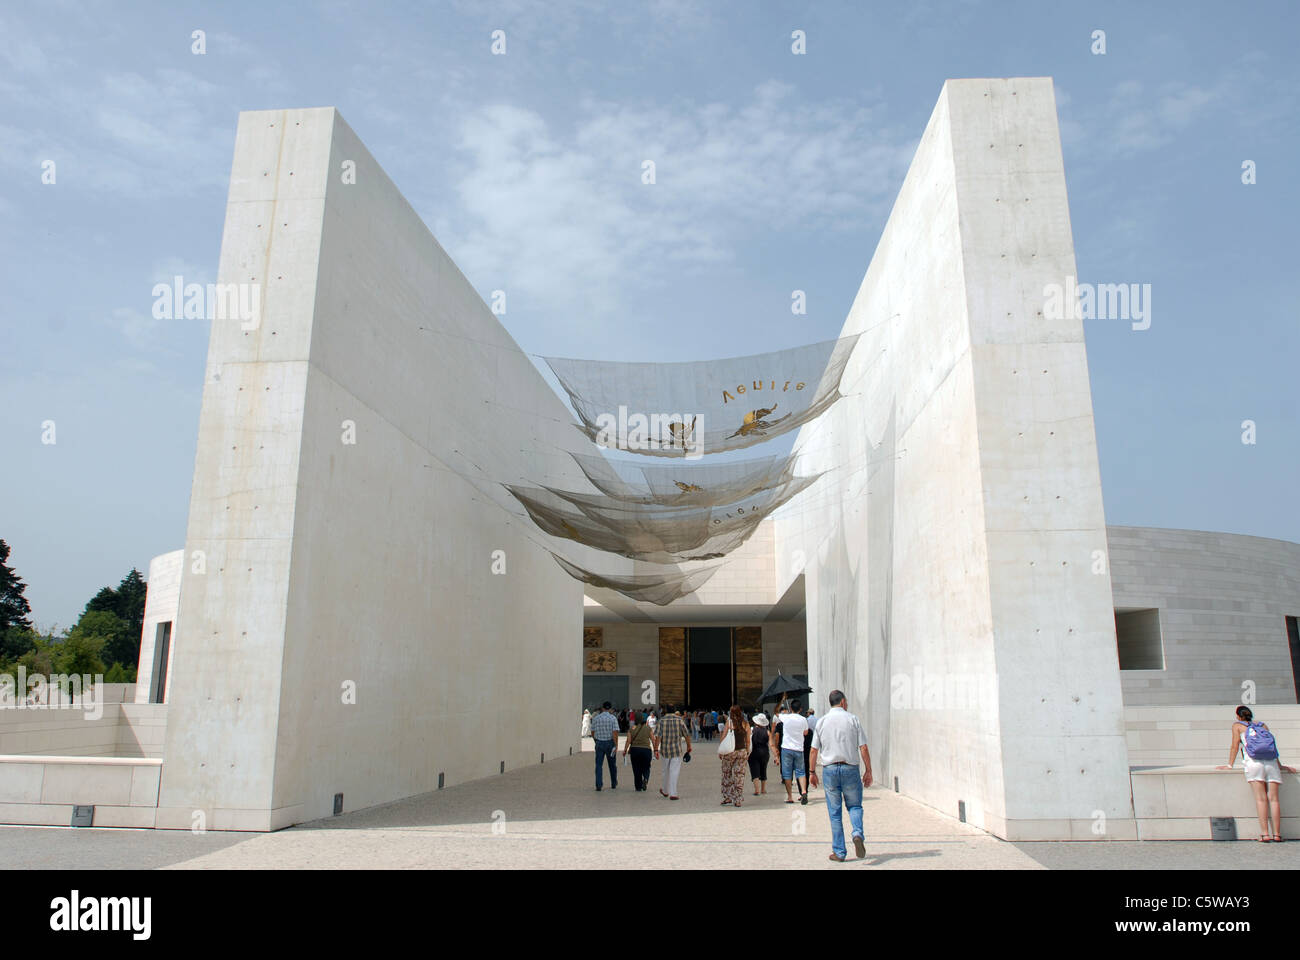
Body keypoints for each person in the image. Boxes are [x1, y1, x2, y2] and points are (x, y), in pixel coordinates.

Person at [809, 689, 873, 862]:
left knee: (835, 813)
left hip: (829, 770)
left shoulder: (821, 722)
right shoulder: (853, 719)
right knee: (855, 806)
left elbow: (814, 750)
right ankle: (857, 833)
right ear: (843, 702)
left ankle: (839, 852)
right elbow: (864, 748)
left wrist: (812, 772)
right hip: (850, 768)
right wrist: (868, 770)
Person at [1217, 705, 1296, 841]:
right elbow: (1272, 746)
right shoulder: (1262, 725)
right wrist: (1280, 765)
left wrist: (1229, 765)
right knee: (1274, 800)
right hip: (1271, 763)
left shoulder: (1237, 726)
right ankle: (1277, 834)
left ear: (1238, 716)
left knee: (1261, 799)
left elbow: (1235, 745)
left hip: (1253, 763)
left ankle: (1265, 834)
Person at [652, 703, 692, 800]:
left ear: (665, 710)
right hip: (676, 750)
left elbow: (658, 736)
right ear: (674, 710)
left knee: (665, 771)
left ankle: (665, 790)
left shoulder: (661, 721)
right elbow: (686, 734)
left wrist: (656, 749)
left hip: (665, 750)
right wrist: (689, 746)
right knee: (674, 771)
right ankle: (673, 793)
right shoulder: (679, 720)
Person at [776, 698, 810, 804]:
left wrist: (781, 700)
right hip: (799, 748)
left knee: (787, 773)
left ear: (790, 708)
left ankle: (790, 796)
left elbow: (776, 712)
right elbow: (805, 733)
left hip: (786, 748)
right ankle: (804, 791)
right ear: (800, 709)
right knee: (801, 772)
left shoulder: (786, 718)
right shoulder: (803, 719)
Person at [718, 705, 750, 806]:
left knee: (727, 773)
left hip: (730, 751)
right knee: (739, 775)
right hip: (742, 751)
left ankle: (728, 796)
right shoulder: (745, 723)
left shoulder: (730, 722)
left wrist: (720, 750)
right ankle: (738, 799)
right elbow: (748, 740)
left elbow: (723, 736)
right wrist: (748, 751)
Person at [591, 701, 620, 791]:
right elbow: (615, 733)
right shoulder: (613, 718)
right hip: (610, 743)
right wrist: (616, 745)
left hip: (599, 743)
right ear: (610, 709)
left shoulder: (596, 718)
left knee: (599, 765)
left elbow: (592, 731)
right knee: (612, 764)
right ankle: (613, 782)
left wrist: (596, 740)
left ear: (602, 708)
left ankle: (598, 784)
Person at [624, 712, 655, 791]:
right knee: (646, 767)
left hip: (635, 750)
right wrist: (656, 750)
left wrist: (625, 750)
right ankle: (645, 779)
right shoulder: (648, 728)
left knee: (636, 768)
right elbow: (653, 740)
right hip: (646, 750)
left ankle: (638, 786)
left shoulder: (631, 729)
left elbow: (628, 741)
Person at [748, 713, 770, 795]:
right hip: (765, 753)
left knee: (754, 771)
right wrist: (776, 755)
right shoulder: (767, 732)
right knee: (763, 770)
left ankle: (756, 789)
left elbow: (748, 741)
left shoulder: (752, 730)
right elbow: (770, 743)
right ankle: (763, 789)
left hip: (753, 752)